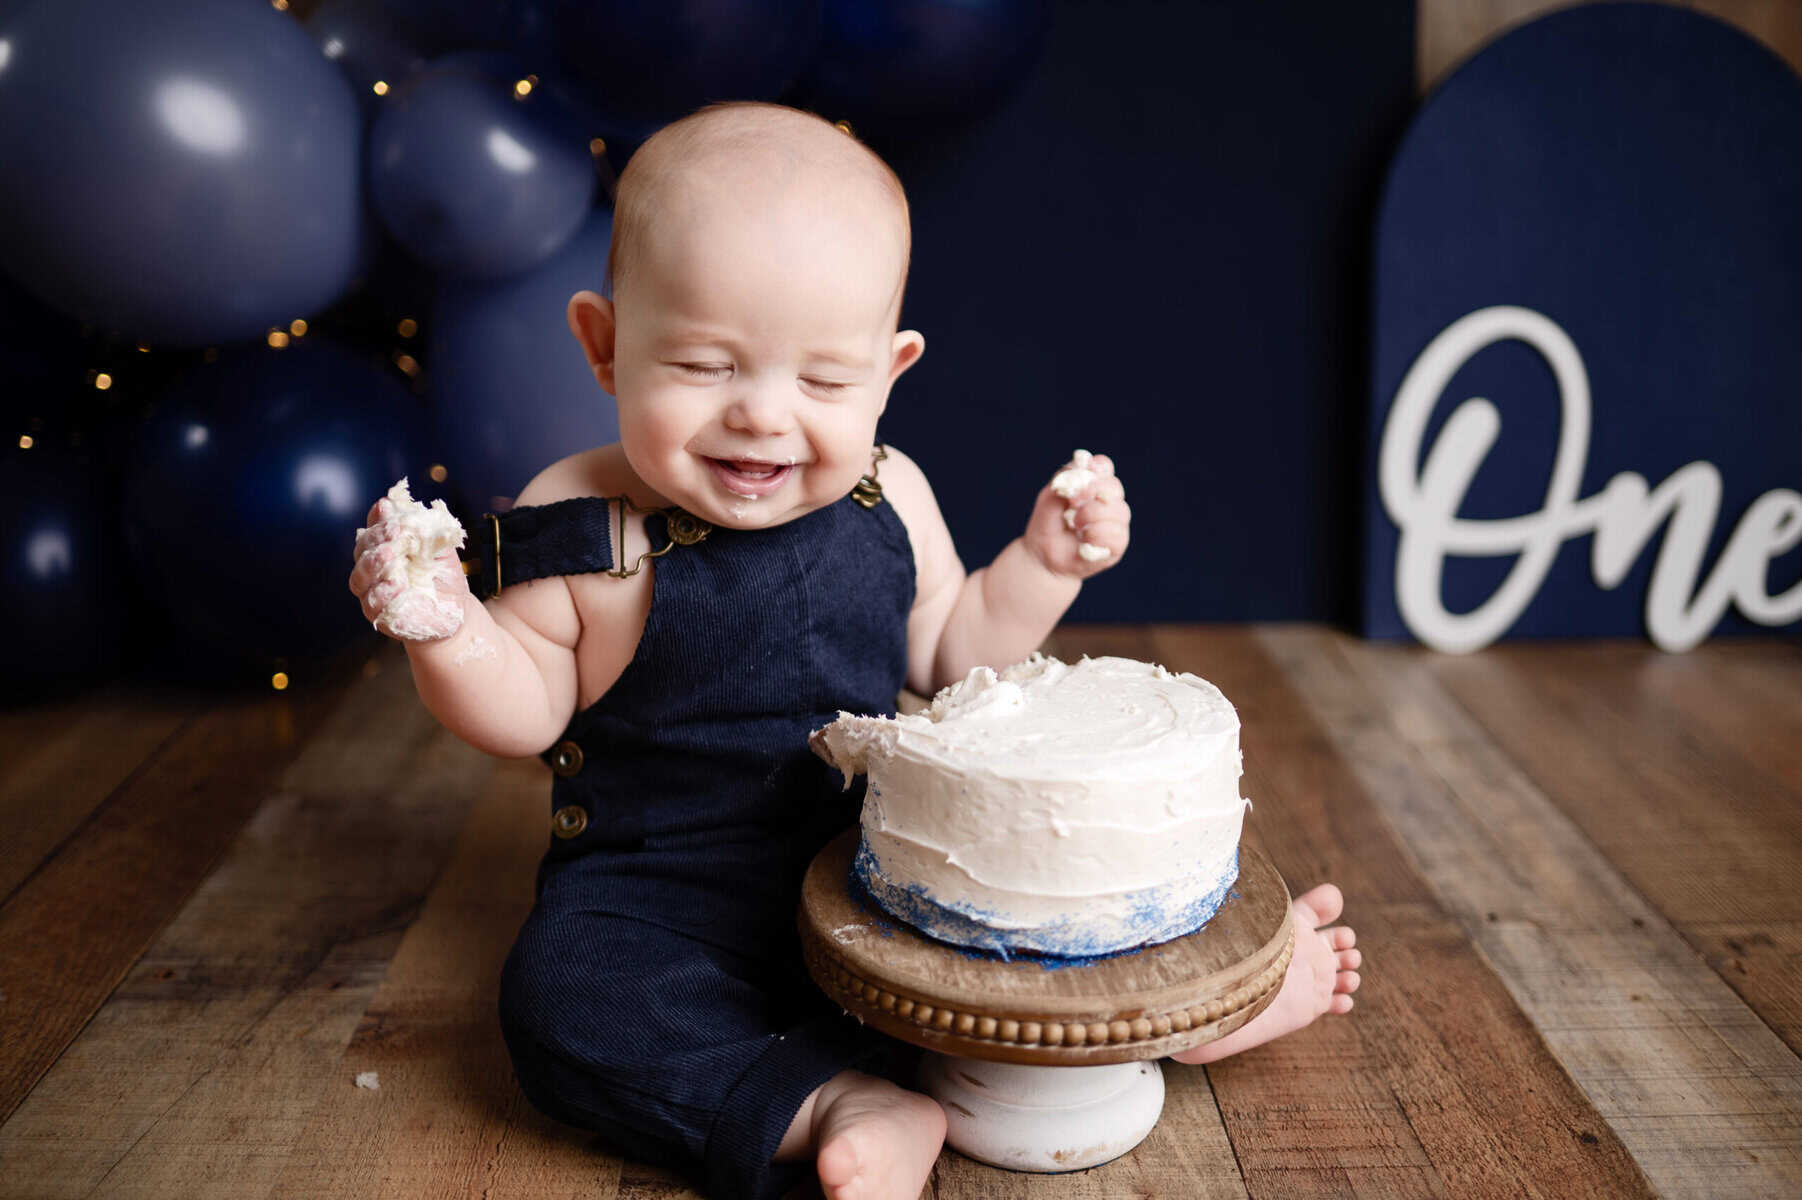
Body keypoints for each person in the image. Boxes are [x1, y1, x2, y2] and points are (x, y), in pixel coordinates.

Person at [349, 101, 1359, 1200]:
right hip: (658, 895)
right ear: (604, 344)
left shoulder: (891, 494)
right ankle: (834, 1103)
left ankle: (1186, 1011)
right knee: (560, 1002)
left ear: (889, 371)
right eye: (703, 365)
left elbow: (953, 654)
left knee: (1031, 899)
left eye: (824, 382)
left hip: (877, 866)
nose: (762, 416)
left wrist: (1040, 566)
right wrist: (449, 630)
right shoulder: (582, 522)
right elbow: (528, 711)